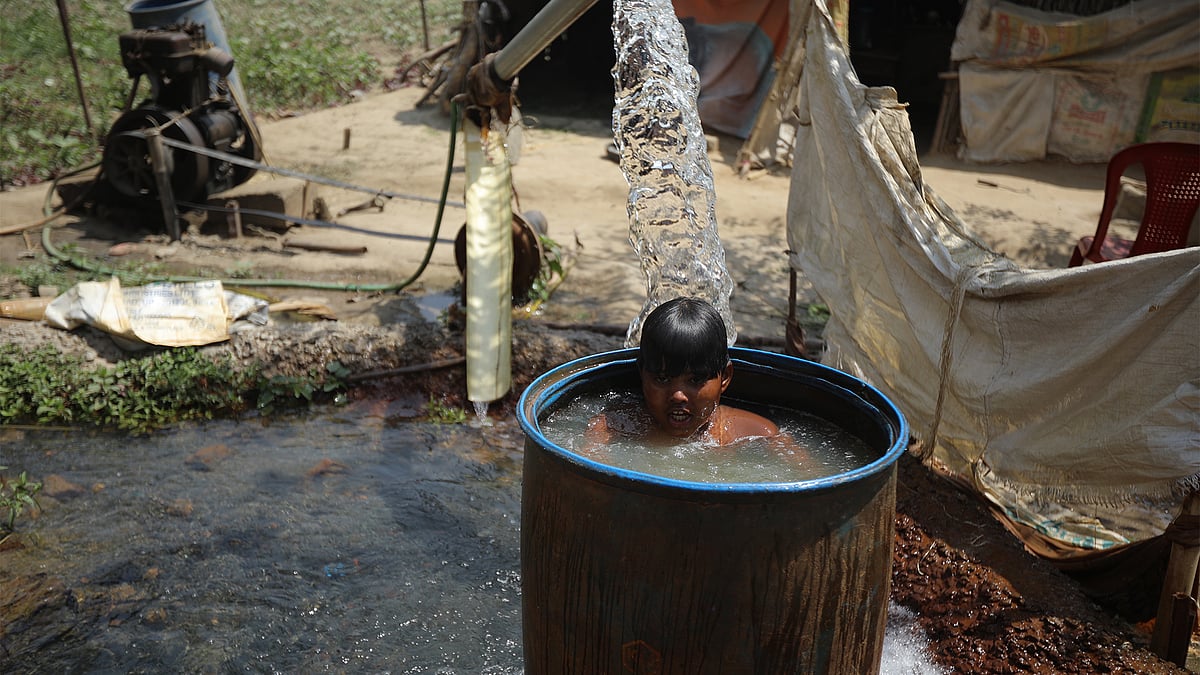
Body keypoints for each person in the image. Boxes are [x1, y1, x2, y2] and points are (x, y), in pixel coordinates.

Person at [584, 296, 782, 448]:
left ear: (725, 378)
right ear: (642, 374)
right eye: (662, 378)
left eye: (695, 379)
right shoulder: (615, 425)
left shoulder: (758, 433)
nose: (678, 395)